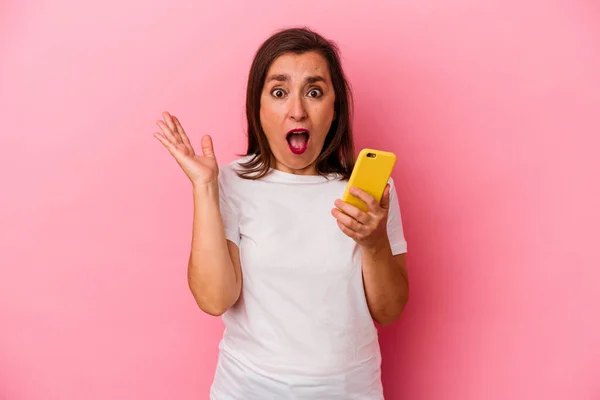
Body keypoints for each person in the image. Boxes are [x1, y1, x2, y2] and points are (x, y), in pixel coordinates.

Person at [153, 27, 409, 400]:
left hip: (350, 391)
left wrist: (373, 243)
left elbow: (389, 310)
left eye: (315, 91)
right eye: (278, 92)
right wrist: (205, 188)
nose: (297, 110)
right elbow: (214, 298)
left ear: (335, 107)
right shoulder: (229, 182)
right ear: (257, 107)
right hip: (247, 389)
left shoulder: (368, 190)